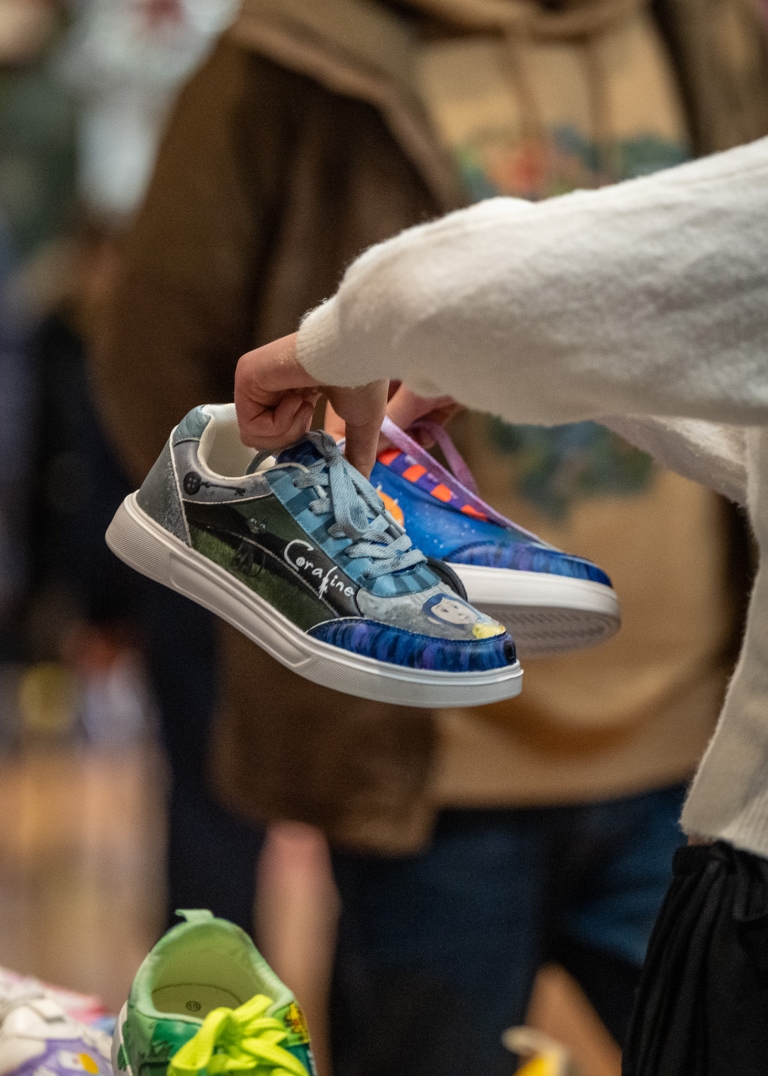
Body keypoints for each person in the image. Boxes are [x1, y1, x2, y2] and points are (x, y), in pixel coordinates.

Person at [92, 2, 767, 1071]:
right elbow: (159, 339)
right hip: (429, 770)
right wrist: (287, 498)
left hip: (694, 746)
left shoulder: (711, 28)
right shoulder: (298, 45)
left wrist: (408, 326)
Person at [234, 133, 768, 1075]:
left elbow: (437, 289)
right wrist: (490, 358)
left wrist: (341, 340)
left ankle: (246, 500)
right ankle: (258, 503)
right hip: (473, 786)